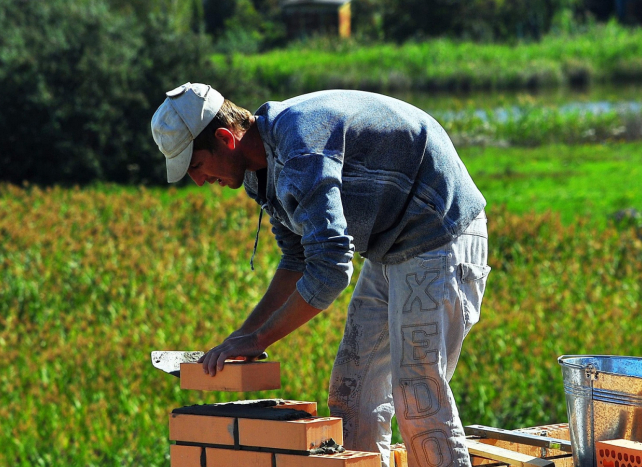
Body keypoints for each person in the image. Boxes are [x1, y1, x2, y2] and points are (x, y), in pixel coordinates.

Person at [151, 82, 491, 467]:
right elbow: (297, 259)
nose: (197, 180)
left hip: (438, 228)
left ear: (226, 139)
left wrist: (260, 338)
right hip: (389, 245)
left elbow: (330, 267)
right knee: (352, 393)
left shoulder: (299, 148)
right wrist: (243, 336)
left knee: (417, 395)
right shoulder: (256, 173)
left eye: (196, 166)